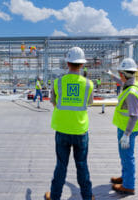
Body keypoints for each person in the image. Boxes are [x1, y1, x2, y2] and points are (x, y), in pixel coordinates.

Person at [45, 47, 95, 200]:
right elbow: (90, 103)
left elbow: (53, 103)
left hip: (62, 130)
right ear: (82, 65)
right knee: (82, 165)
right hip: (80, 130)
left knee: (61, 165)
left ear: (67, 63)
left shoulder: (57, 83)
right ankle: (87, 196)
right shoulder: (88, 84)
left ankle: (54, 196)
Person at [105, 58, 138, 195]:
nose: (119, 76)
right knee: (124, 156)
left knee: (127, 156)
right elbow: (121, 82)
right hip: (127, 127)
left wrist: (126, 135)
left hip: (127, 129)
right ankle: (125, 177)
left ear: (124, 74)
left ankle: (128, 185)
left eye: (119, 73)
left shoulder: (131, 93)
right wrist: (111, 75)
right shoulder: (133, 84)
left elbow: (133, 115)